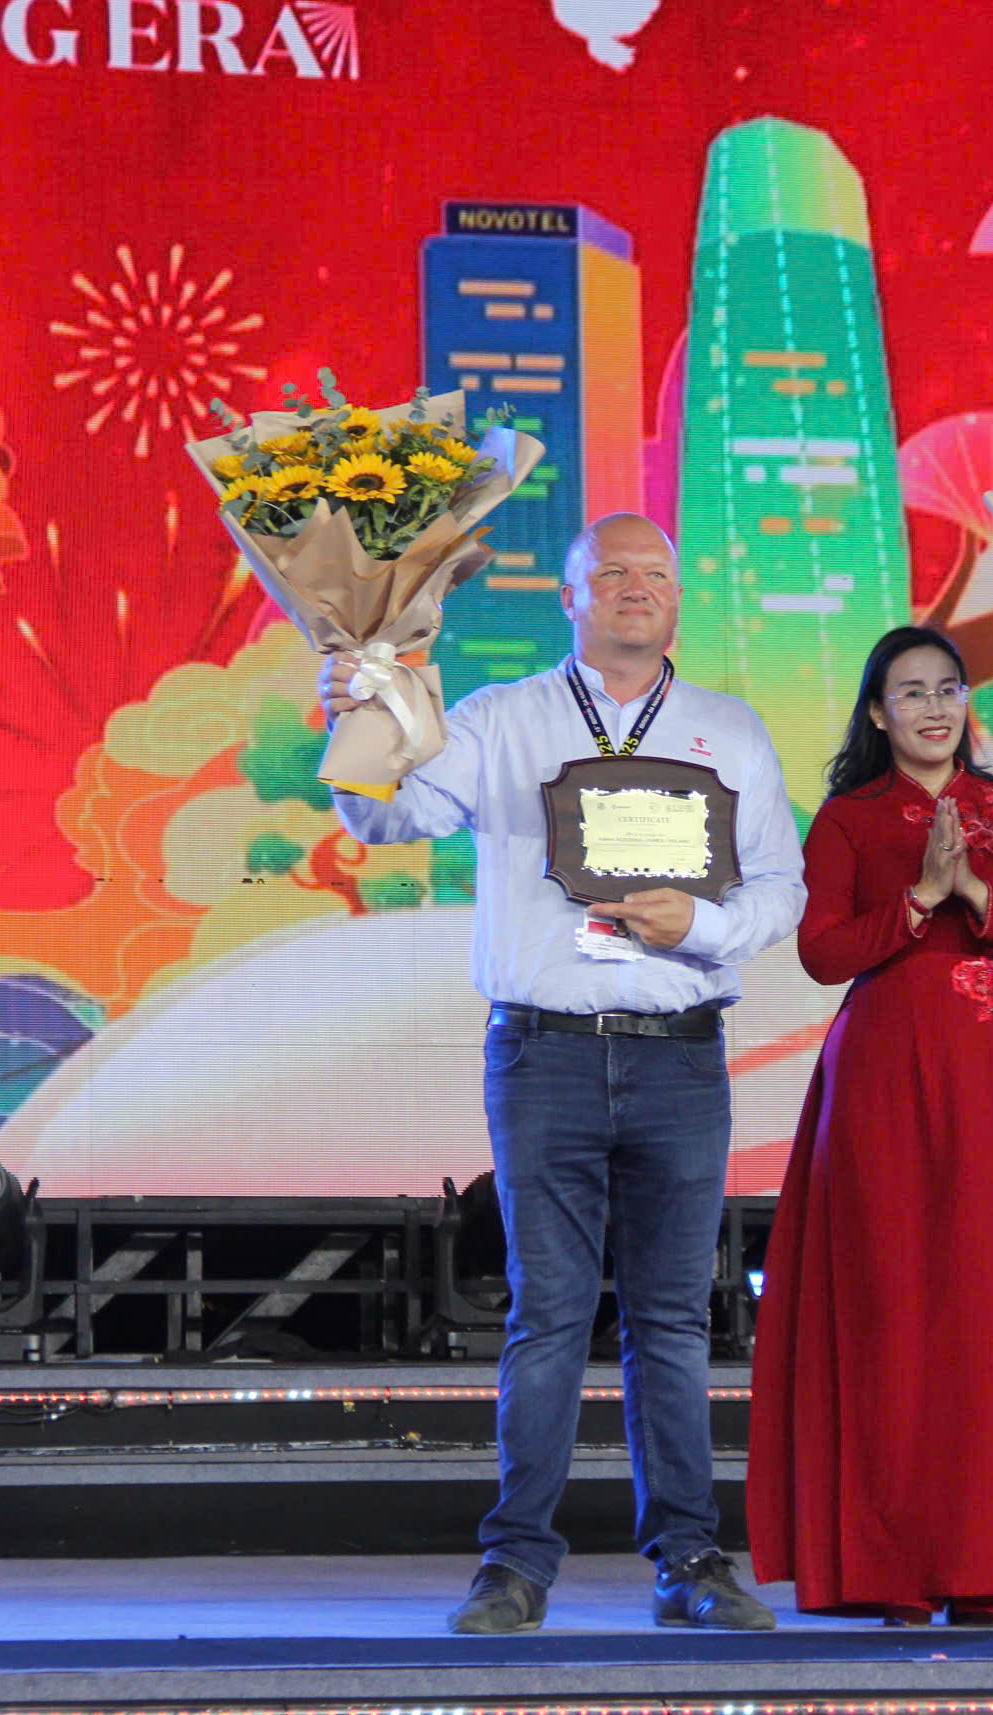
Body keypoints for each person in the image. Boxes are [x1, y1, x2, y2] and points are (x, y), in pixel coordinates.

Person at [320, 513, 806, 1634]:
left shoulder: (729, 729)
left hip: (681, 1057)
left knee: (672, 1321)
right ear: (569, 597)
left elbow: (781, 887)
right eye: (612, 573)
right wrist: (358, 715)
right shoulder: (502, 719)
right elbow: (390, 816)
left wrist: (701, 926)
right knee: (546, 1317)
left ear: (677, 595)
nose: (637, 587)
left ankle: (689, 1559)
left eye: (655, 573)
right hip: (544, 1053)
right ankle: (514, 1566)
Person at [747, 626, 993, 1625]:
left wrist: (976, 892)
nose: (934, 707)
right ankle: (892, 1568)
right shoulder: (850, 818)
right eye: (911, 692)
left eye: (948, 688)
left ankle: (992, 1564)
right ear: (877, 712)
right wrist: (917, 903)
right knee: (893, 1305)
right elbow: (822, 955)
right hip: (883, 1076)